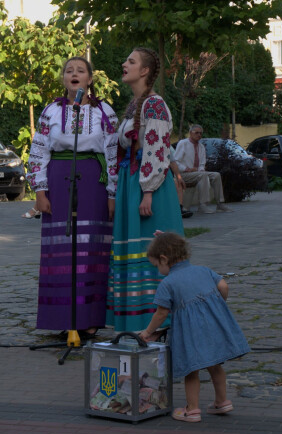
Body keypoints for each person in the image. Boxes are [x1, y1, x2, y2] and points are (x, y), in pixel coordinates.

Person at [27, 57, 119, 338]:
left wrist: (112, 192)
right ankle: (62, 317)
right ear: (63, 79)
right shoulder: (51, 111)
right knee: (61, 249)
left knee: (91, 248)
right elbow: (39, 150)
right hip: (59, 178)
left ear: (90, 79)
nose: (74, 74)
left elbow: (114, 153)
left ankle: (89, 318)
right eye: (69, 71)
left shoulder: (105, 110)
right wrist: (40, 191)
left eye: (80, 71)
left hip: (94, 179)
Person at [106, 47, 184, 333]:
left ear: (145, 71)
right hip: (132, 182)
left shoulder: (154, 104)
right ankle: (135, 324)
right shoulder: (135, 104)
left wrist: (148, 191)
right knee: (135, 250)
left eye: (131, 61)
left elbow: (157, 147)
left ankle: (157, 324)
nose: (124, 64)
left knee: (152, 250)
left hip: (148, 185)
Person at [139, 232, 251, 423]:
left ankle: (192, 410)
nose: (158, 270)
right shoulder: (203, 270)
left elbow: (161, 313)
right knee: (215, 364)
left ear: (164, 259)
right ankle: (222, 401)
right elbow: (223, 286)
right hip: (213, 325)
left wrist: (148, 332)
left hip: (190, 333)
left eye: (157, 265)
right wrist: (216, 305)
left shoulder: (168, 283)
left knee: (192, 370)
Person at [173, 124, 232, 214]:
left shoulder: (201, 147)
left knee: (216, 175)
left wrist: (200, 169)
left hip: (196, 174)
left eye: (200, 133)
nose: (199, 135)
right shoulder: (183, 143)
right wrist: (187, 169)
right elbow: (176, 161)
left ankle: (220, 204)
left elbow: (202, 164)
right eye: (196, 133)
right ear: (190, 133)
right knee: (203, 175)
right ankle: (202, 205)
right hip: (183, 174)